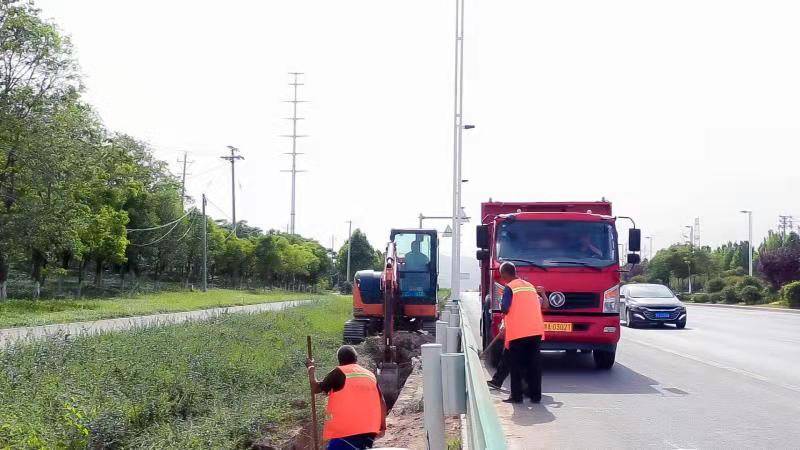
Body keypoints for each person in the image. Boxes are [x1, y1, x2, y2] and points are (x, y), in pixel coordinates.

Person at [307, 345, 387, 449]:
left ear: (339, 360)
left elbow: (316, 389)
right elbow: (381, 402)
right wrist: (383, 426)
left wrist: (310, 370)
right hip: (369, 430)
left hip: (347, 430)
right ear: (356, 359)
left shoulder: (338, 372)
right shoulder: (369, 375)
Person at [499, 262, 545, 403]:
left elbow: (505, 308)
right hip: (536, 330)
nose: (502, 278)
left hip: (519, 332)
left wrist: (503, 307)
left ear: (506, 274)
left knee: (516, 365)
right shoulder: (529, 286)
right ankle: (535, 396)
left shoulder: (509, 287)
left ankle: (517, 397)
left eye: (502, 276)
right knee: (534, 365)